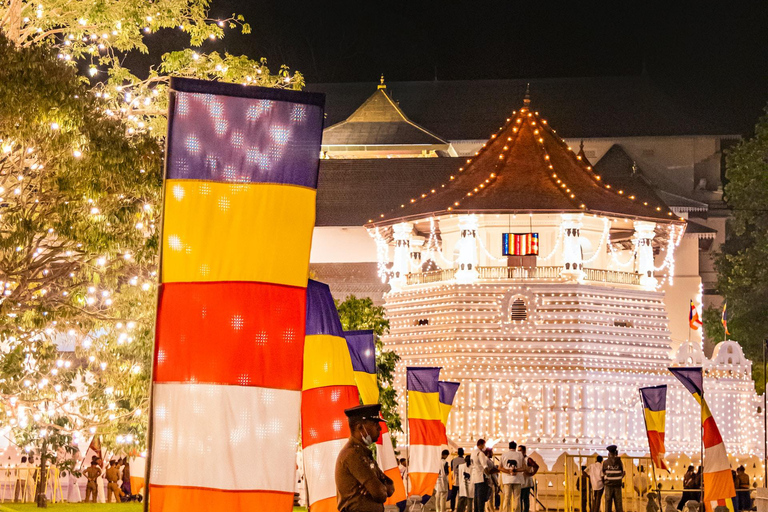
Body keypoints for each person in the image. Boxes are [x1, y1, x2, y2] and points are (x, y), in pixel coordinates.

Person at [335, 404, 395, 512]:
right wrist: (377, 486)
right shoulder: (353, 454)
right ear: (360, 427)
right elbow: (380, 495)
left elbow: (391, 488)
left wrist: (377, 485)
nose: (379, 428)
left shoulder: (364, 454)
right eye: (375, 423)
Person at [500, 441, 524, 512]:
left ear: (509, 447)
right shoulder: (520, 455)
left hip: (507, 480)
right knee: (517, 498)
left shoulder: (504, 455)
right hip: (518, 479)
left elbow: (500, 468)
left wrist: (508, 471)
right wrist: (515, 470)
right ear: (515, 447)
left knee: (507, 497)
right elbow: (524, 467)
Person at [602, 445, 625, 512]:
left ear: (609, 453)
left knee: (608, 502)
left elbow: (603, 473)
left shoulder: (605, 462)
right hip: (617, 485)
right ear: (615, 453)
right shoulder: (619, 462)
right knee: (618, 503)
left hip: (608, 485)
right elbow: (623, 472)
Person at [471, 439, 491, 512]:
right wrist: (488, 476)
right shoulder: (480, 453)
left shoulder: (473, 453)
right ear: (482, 444)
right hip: (481, 477)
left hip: (474, 477)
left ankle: (476, 510)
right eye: (484, 445)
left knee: (476, 496)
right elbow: (484, 466)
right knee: (481, 497)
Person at [518, 445, 537, 512]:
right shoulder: (518, 459)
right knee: (519, 499)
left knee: (525, 498)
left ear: (524, 451)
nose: (519, 452)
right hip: (519, 481)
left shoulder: (528, 459)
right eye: (518, 451)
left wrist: (531, 474)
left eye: (520, 450)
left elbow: (536, 466)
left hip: (526, 482)